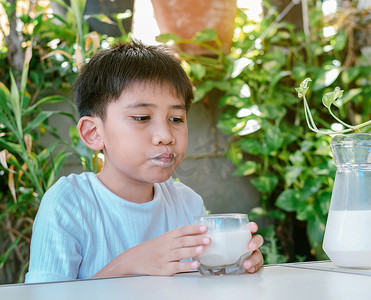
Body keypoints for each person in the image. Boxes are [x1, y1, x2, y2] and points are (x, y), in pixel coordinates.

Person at [25, 39, 264, 283]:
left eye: (176, 119)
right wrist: (130, 263)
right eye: (141, 117)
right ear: (94, 133)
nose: (166, 136)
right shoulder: (69, 204)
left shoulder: (187, 204)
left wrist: (232, 268)